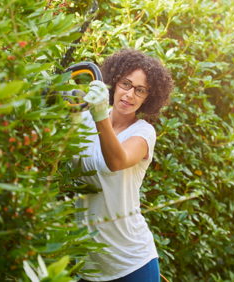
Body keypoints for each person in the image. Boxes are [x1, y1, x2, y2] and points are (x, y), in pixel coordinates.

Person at [74, 48, 174, 282]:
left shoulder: (143, 133)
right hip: (89, 266)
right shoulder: (86, 118)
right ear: (114, 82)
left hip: (132, 264)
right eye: (126, 84)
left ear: (148, 97)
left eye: (140, 90)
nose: (130, 94)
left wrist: (99, 115)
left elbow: (116, 161)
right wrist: (70, 109)